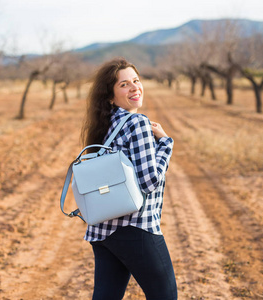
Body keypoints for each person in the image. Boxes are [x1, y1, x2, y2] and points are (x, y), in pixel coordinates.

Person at [81, 57, 177, 300]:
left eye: (136, 80)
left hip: (103, 229)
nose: (135, 87)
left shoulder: (105, 126)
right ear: (110, 96)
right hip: (136, 227)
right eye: (124, 84)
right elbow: (149, 181)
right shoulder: (137, 123)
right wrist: (165, 144)